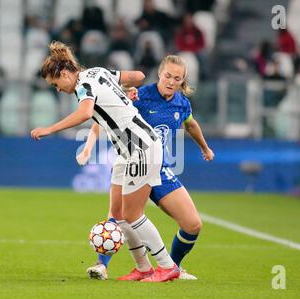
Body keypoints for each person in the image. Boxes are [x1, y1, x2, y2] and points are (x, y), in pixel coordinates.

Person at [31, 41, 181, 282]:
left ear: (66, 74)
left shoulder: (84, 84)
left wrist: (51, 128)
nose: (57, 89)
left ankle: (167, 266)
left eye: (55, 84)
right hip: (128, 150)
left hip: (139, 147)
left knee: (133, 213)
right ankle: (143, 268)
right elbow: (139, 76)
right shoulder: (98, 72)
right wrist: (124, 94)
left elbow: (85, 113)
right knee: (119, 214)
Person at [79, 55, 214, 281]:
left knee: (192, 225)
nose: (171, 81)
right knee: (117, 216)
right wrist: (87, 148)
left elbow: (190, 124)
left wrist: (205, 147)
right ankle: (102, 266)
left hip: (159, 167)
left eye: (177, 78)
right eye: (168, 76)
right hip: (132, 161)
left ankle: (172, 268)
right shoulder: (139, 95)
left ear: (183, 81)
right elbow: (102, 119)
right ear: (160, 73)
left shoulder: (182, 103)